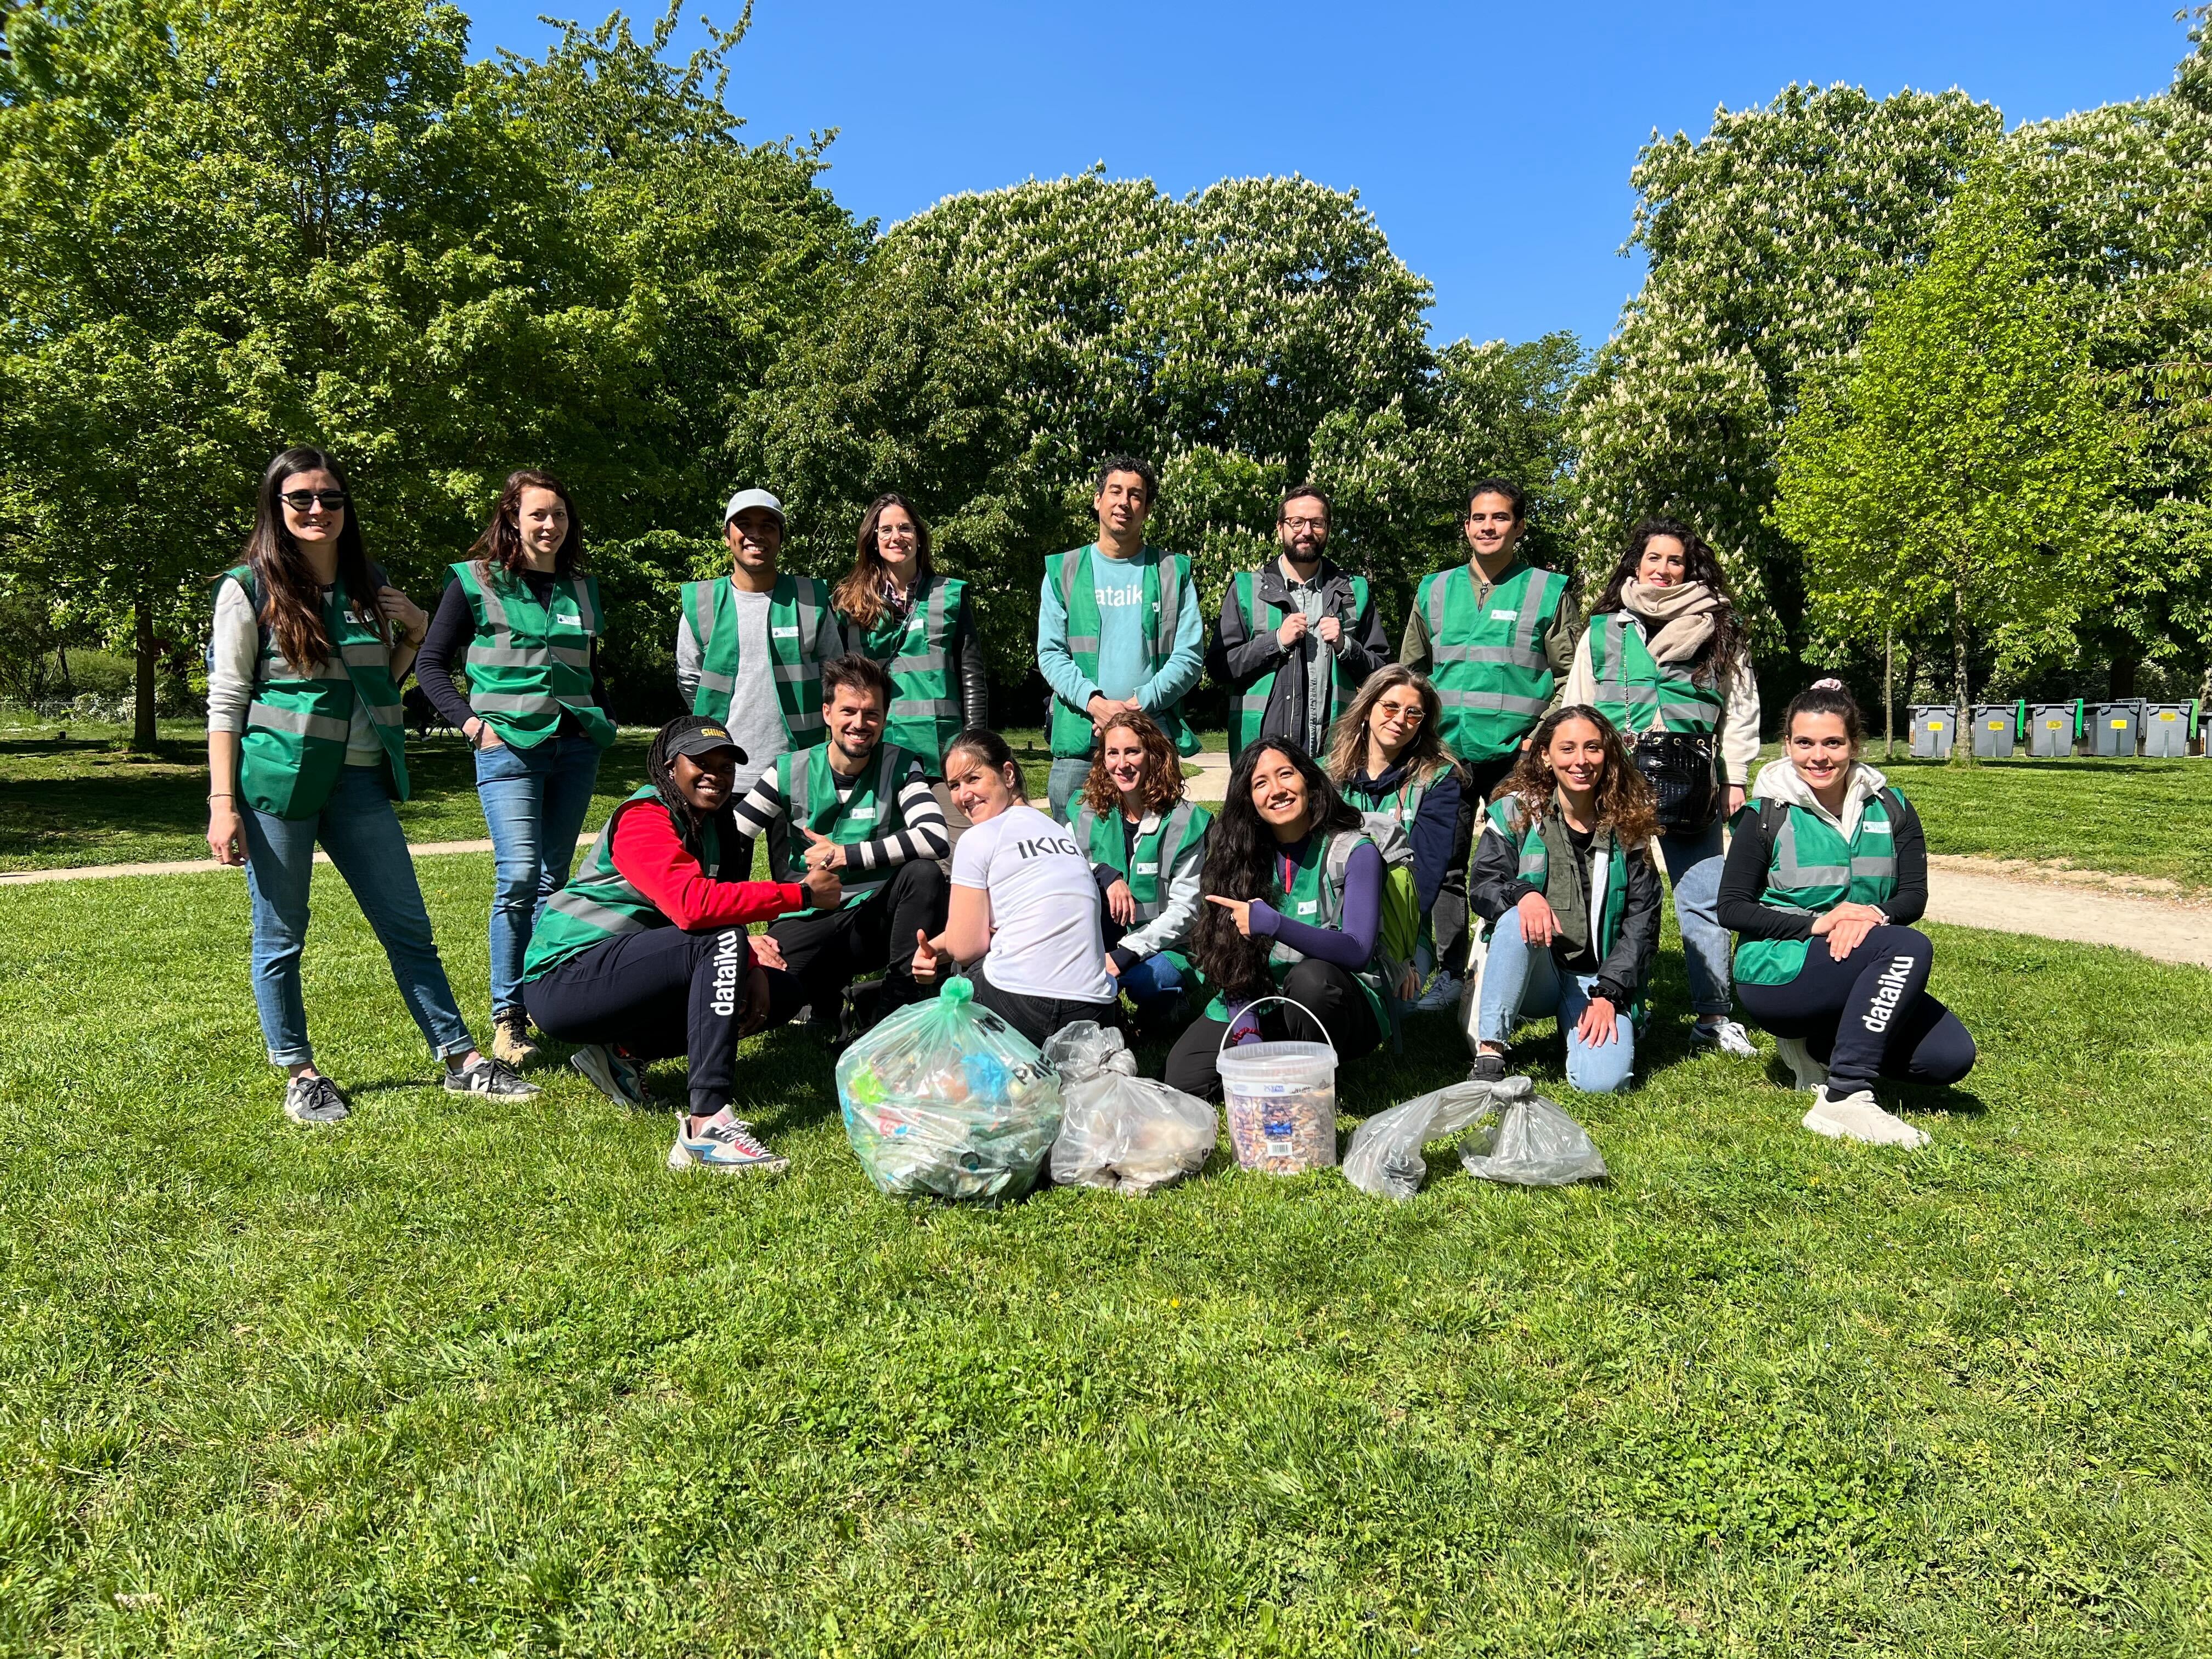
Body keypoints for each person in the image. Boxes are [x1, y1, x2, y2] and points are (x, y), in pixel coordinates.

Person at [205, 447, 539, 1124]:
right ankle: (299, 1072)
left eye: (330, 498)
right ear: (276, 508)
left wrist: (415, 634)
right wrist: (221, 806)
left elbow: (376, 683)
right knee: (281, 936)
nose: (317, 510)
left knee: (408, 926)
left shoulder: (369, 585)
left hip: (357, 781)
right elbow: (227, 700)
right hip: (279, 788)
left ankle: (459, 1059)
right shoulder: (249, 588)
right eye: (299, 498)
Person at [523, 716, 843, 1173]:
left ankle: (622, 1054)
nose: (716, 773)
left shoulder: (719, 825)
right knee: (718, 937)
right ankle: (706, 1126)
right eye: (701, 762)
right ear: (671, 767)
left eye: (727, 766)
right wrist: (803, 894)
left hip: (630, 973)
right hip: (565, 980)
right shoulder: (643, 816)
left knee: (783, 992)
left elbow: (722, 916)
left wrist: (750, 966)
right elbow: (693, 908)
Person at [414, 469, 614, 1066]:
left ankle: (549, 1000)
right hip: (508, 748)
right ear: (512, 518)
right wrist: (474, 726)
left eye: (558, 514)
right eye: (537, 515)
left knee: (556, 882)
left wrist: (601, 722)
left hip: (575, 748)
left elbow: (590, 671)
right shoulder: (474, 581)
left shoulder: (582, 588)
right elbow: (430, 664)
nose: (549, 525)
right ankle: (508, 1017)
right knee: (520, 877)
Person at [1720, 680, 1974, 1147]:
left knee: (1948, 1058)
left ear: (1855, 745)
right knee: (1907, 947)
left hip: (1855, 955)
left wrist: (1869, 915)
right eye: (1805, 743)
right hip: (1778, 971)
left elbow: (1912, 898)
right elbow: (1732, 908)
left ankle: (1818, 1044)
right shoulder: (1765, 814)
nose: (1819, 756)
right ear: (1788, 746)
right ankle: (1845, 1097)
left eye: (1833, 743)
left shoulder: (1893, 806)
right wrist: (1818, 923)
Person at [1562, 517, 1762, 1060]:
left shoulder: (1722, 627)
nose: (1665, 569)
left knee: (1703, 898)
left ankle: (1714, 1016)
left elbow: (1741, 708)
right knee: (1619, 898)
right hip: (1615, 779)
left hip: (1693, 781)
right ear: (1636, 564)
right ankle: (1627, 1002)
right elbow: (1576, 705)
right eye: (1655, 558)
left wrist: (1737, 775)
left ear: (1691, 567)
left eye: (1676, 561)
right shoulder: (1603, 629)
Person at [1398, 479, 1579, 1010]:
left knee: (1524, 865)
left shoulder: (1548, 590)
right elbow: (1411, 673)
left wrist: (1542, 733)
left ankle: (1520, 969)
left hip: (1518, 757)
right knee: (1445, 865)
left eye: (1500, 518)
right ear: (1466, 526)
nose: (1488, 527)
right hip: (1447, 756)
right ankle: (1453, 973)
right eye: (1479, 518)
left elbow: (1572, 675)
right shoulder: (1434, 588)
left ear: (1519, 527)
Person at [730, 654, 950, 1035]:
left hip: (877, 916)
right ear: (827, 712)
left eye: (872, 714)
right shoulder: (786, 770)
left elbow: (934, 837)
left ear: (885, 717)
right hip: (808, 913)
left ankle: (894, 1010)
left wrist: (844, 855)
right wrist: (738, 935)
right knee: (759, 1001)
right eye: (849, 711)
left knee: (924, 874)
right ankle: (831, 1000)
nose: (860, 724)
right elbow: (728, 841)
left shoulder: (903, 766)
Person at [1163, 741, 1388, 1101]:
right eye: (1260, 783)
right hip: (1267, 997)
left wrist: (1276, 925)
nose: (1277, 790)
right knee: (1184, 1078)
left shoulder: (1355, 852)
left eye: (1286, 774)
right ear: (1248, 799)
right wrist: (1247, 1030)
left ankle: (1309, 1085)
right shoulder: (1238, 856)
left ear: (1309, 781)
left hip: (1339, 1002)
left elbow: (1358, 950)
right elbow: (1231, 958)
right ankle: (1273, 1057)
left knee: (1312, 980)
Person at [1466, 707, 1662, 1094]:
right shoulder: (1515, 811)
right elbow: (1484, 886)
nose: (1581, 761)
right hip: (1534, 966)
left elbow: (1644, 920)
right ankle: (1491, 1052)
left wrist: (1610, 993)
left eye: (1593, 748)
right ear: (1546, 756)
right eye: (1568, 749)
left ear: (1608, 753)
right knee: (1514, 917)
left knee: (1605, 1082)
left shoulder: (1628, 823)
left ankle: (1589, 1022)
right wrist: (1525, 894)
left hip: (1595, 977)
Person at [911, 729, 1120, 1047]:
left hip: (1025, 1008)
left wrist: (939, 951)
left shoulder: (978, 839)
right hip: (1095, 1013)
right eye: (954, 785)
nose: (963, 795)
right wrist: (939, 949)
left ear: (1007, 774)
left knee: (959, 987)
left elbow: (967, 947)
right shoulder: (1061, 834)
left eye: (973, 779)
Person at [675, 487, 843, 862]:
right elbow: (690, 680)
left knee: (804, 887)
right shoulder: (702, 603)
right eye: (744, 524)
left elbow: (835, 676)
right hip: (722, 772)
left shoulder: (810, 600)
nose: (756, 534)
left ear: (781, 537)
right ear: (727, 535)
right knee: (721, 886)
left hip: (798, 768)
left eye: (768, 526)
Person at [1036, 455, 1204, 821]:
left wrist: (1137, 705)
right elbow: (1050, 654)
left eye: (1135, 495)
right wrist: (1097, 704)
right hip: (1081, 745)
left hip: (1151, 741)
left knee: (1155, 859)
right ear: (1098, 499)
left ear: (1146, 509)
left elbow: (1190, 657)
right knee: (1078, 864)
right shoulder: (1062, 570)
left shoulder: (1173, 571)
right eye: (1115, 491)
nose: (1123, 503)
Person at [1209, 485, 1389, 763]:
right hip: (1262, 759)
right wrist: (1276, 641)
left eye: (1317, 523)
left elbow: (1383, 674)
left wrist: (1346, 647)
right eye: (1297, 522)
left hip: (1335, 758)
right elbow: (1220, 667)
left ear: (1327, 529)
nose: (1307, 531)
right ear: (1280, 528)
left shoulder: (1355, 591)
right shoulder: (1246, 588)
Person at [1325, 666, 1467, 1004]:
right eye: (1390, 707)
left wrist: (1398, 954)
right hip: (1329, 917)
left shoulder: (1439, 780)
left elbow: (1426, 875)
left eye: (1413, 713)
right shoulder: (1324, 775)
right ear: (1368, 708)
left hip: (1400, 932)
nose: (1399, 719)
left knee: (1391, 1004)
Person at [1067, 709, 1212, 1032]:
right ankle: (1104, 1009)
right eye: (1113, 753)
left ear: (1153, 755)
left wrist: (1127, 953)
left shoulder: (1185, 822)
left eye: (1133, 751)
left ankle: (1170, 1005)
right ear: (1102, 760)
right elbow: (1061, 868)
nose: (1122, 764)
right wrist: (1107, 875)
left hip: (1169, 943)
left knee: (1149, 981)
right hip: (1103, 934)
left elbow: (1185, 911)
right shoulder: (1084, 810)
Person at [831, 493, 988, 781]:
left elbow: (972, 677)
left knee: (948, 827)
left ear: (918, 536)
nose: (896, 537)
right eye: (886, 530)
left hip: (943, 754)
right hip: (873, 750)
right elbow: (835, 678)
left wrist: (975, 740)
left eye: (905, 528)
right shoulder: (847, 603)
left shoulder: (949, 594)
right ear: (873, 540)